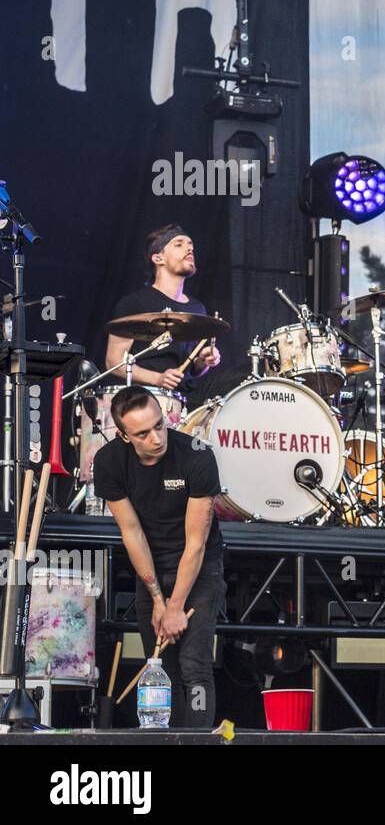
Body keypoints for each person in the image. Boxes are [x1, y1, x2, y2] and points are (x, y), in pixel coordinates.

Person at [92, 386, 226, 728]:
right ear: (123, 435)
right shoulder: (108, 462)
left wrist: (176, 606)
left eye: (159, 426)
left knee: (195, 664)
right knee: (161, 666)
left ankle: (195, 740)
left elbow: (196, 542)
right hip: (151, 564)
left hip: (198, 566)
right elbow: (132, 532)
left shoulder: (197, 456)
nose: (156, 438)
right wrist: (157, 600)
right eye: (142, 433)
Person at [104, 224, 221, 392]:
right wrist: (157, 378)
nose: (189, 249)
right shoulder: (135, 303)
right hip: (142, 397)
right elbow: (113, 362)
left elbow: (193, 371)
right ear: (158, 258)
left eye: (191, 246)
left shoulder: (197, 309)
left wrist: (203, 361)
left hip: (181, 403)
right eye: (179, 244)